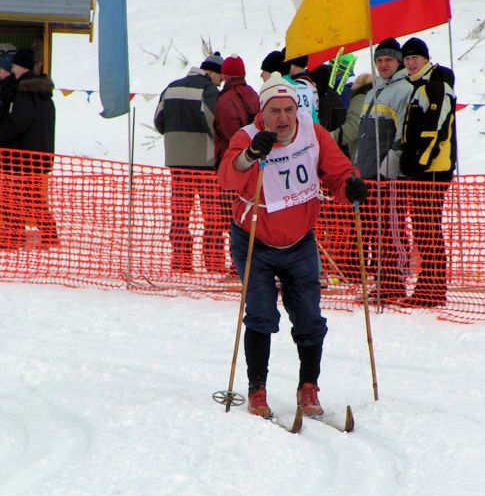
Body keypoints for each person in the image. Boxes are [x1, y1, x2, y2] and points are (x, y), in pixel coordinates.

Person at [217, 73, 369, 419]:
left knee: (309, 318)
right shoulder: (248, 136)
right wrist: (250, 156)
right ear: (262, 112)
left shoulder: (313, 134)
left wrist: (351, 187)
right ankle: (257, 390)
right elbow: (227, 176)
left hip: (300, 240)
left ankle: (308, 386)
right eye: (275, 111)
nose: (283, 118)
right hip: (255, 240)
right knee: (261, 314)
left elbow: (338, 173)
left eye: (288, 109)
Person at [399, 37, 458, 308]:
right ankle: (429, 286)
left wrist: (419, 162)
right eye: (407, 59)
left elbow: (435, 128)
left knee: (427, 228)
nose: (411, 63)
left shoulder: (436, 85)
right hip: (424, 168)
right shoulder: (419, 85)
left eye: (415, 58)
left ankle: (432, 289)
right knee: (423, 228)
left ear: (425, 59)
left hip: (434, 169)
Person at [354, 38, 414, 302]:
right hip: (367, 174)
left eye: (388, 60)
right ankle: (383, 281)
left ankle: (394, 283)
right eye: (379, 60)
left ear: (398, 61)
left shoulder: (403, 90)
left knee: (391, 230)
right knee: (375, 230)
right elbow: (364, 135)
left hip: (387, 177)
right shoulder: (372, 91)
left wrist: (386, 169)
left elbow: (402, 135)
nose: (383, 64)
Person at [154, 52, 224, 273]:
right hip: (205, 161)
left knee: (180, 214)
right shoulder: (209, 90)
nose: (220, 83)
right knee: (212, 215)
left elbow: (158, 121)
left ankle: (181, 261)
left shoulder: (171, 88)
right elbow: (215, 121)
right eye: (220, 78)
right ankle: (213, 263)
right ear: (211, 72)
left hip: (177, 161)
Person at [0, 48, 58, 248]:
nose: (11, 69)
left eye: (14, 65)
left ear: (20, 66)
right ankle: (49, 233)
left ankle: (14, 237)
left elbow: (21, 120)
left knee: (13, 198)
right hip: (37, 155)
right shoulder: (41, 93)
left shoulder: (25, 91)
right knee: (32, 197)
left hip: (22, 156)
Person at [212, 54, 260, 275]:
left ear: (225, 74)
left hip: (234, 166)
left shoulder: (224, 101)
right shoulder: (254, 95)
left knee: (233, 216)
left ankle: (239, 265)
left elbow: (233, 136)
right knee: (254, 213)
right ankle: (254, 261)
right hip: (259, 163)